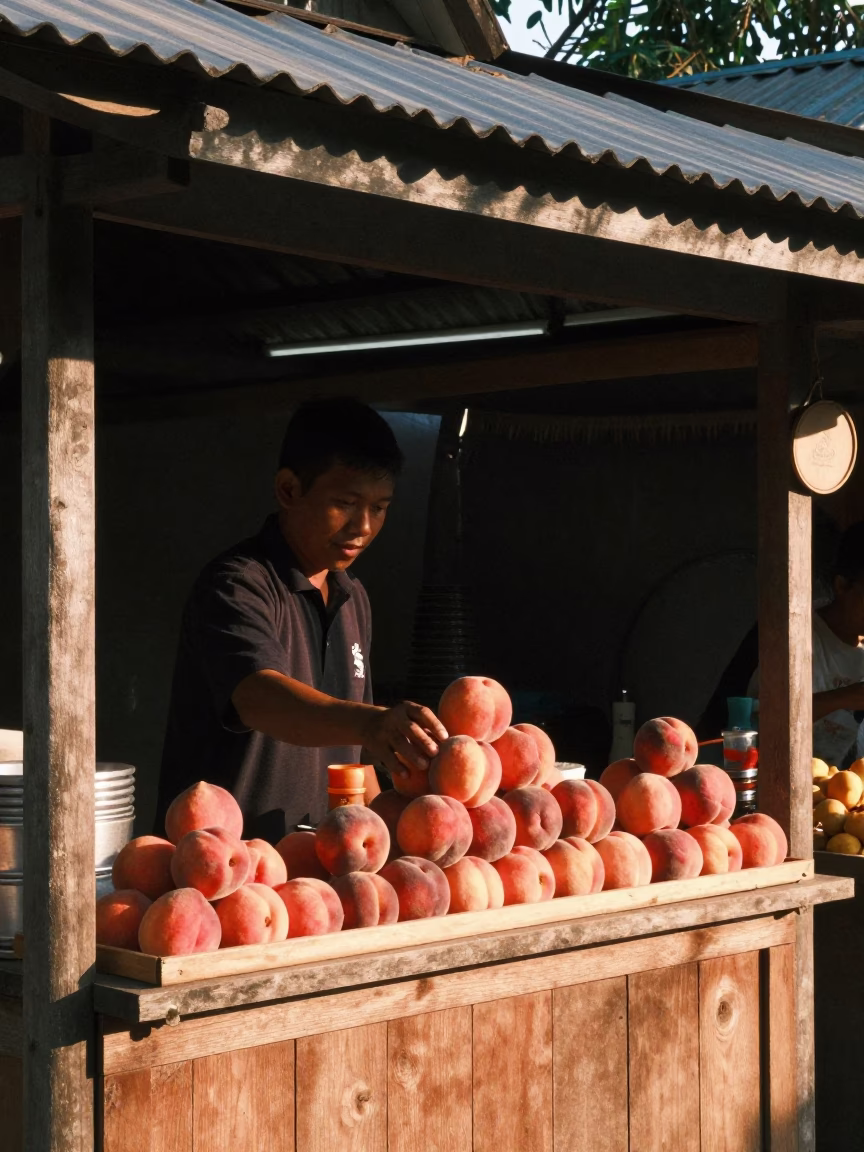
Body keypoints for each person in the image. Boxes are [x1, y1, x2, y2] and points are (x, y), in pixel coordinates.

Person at [155, 398, 447, 842]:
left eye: (380, 507)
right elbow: (257, 697)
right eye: (346, 503)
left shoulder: (354, 597)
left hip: (319, 874)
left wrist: (383, 843)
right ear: (289, 490)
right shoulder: (237, 584)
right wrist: (371, 723)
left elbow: (356, 760)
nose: (363, 526)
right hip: (228, 873)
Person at [702, 522, 864, 768]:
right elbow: (760, 721)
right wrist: (845, 697)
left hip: (828, 794)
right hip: (754, 785)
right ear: (843, 586)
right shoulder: (790, 633)